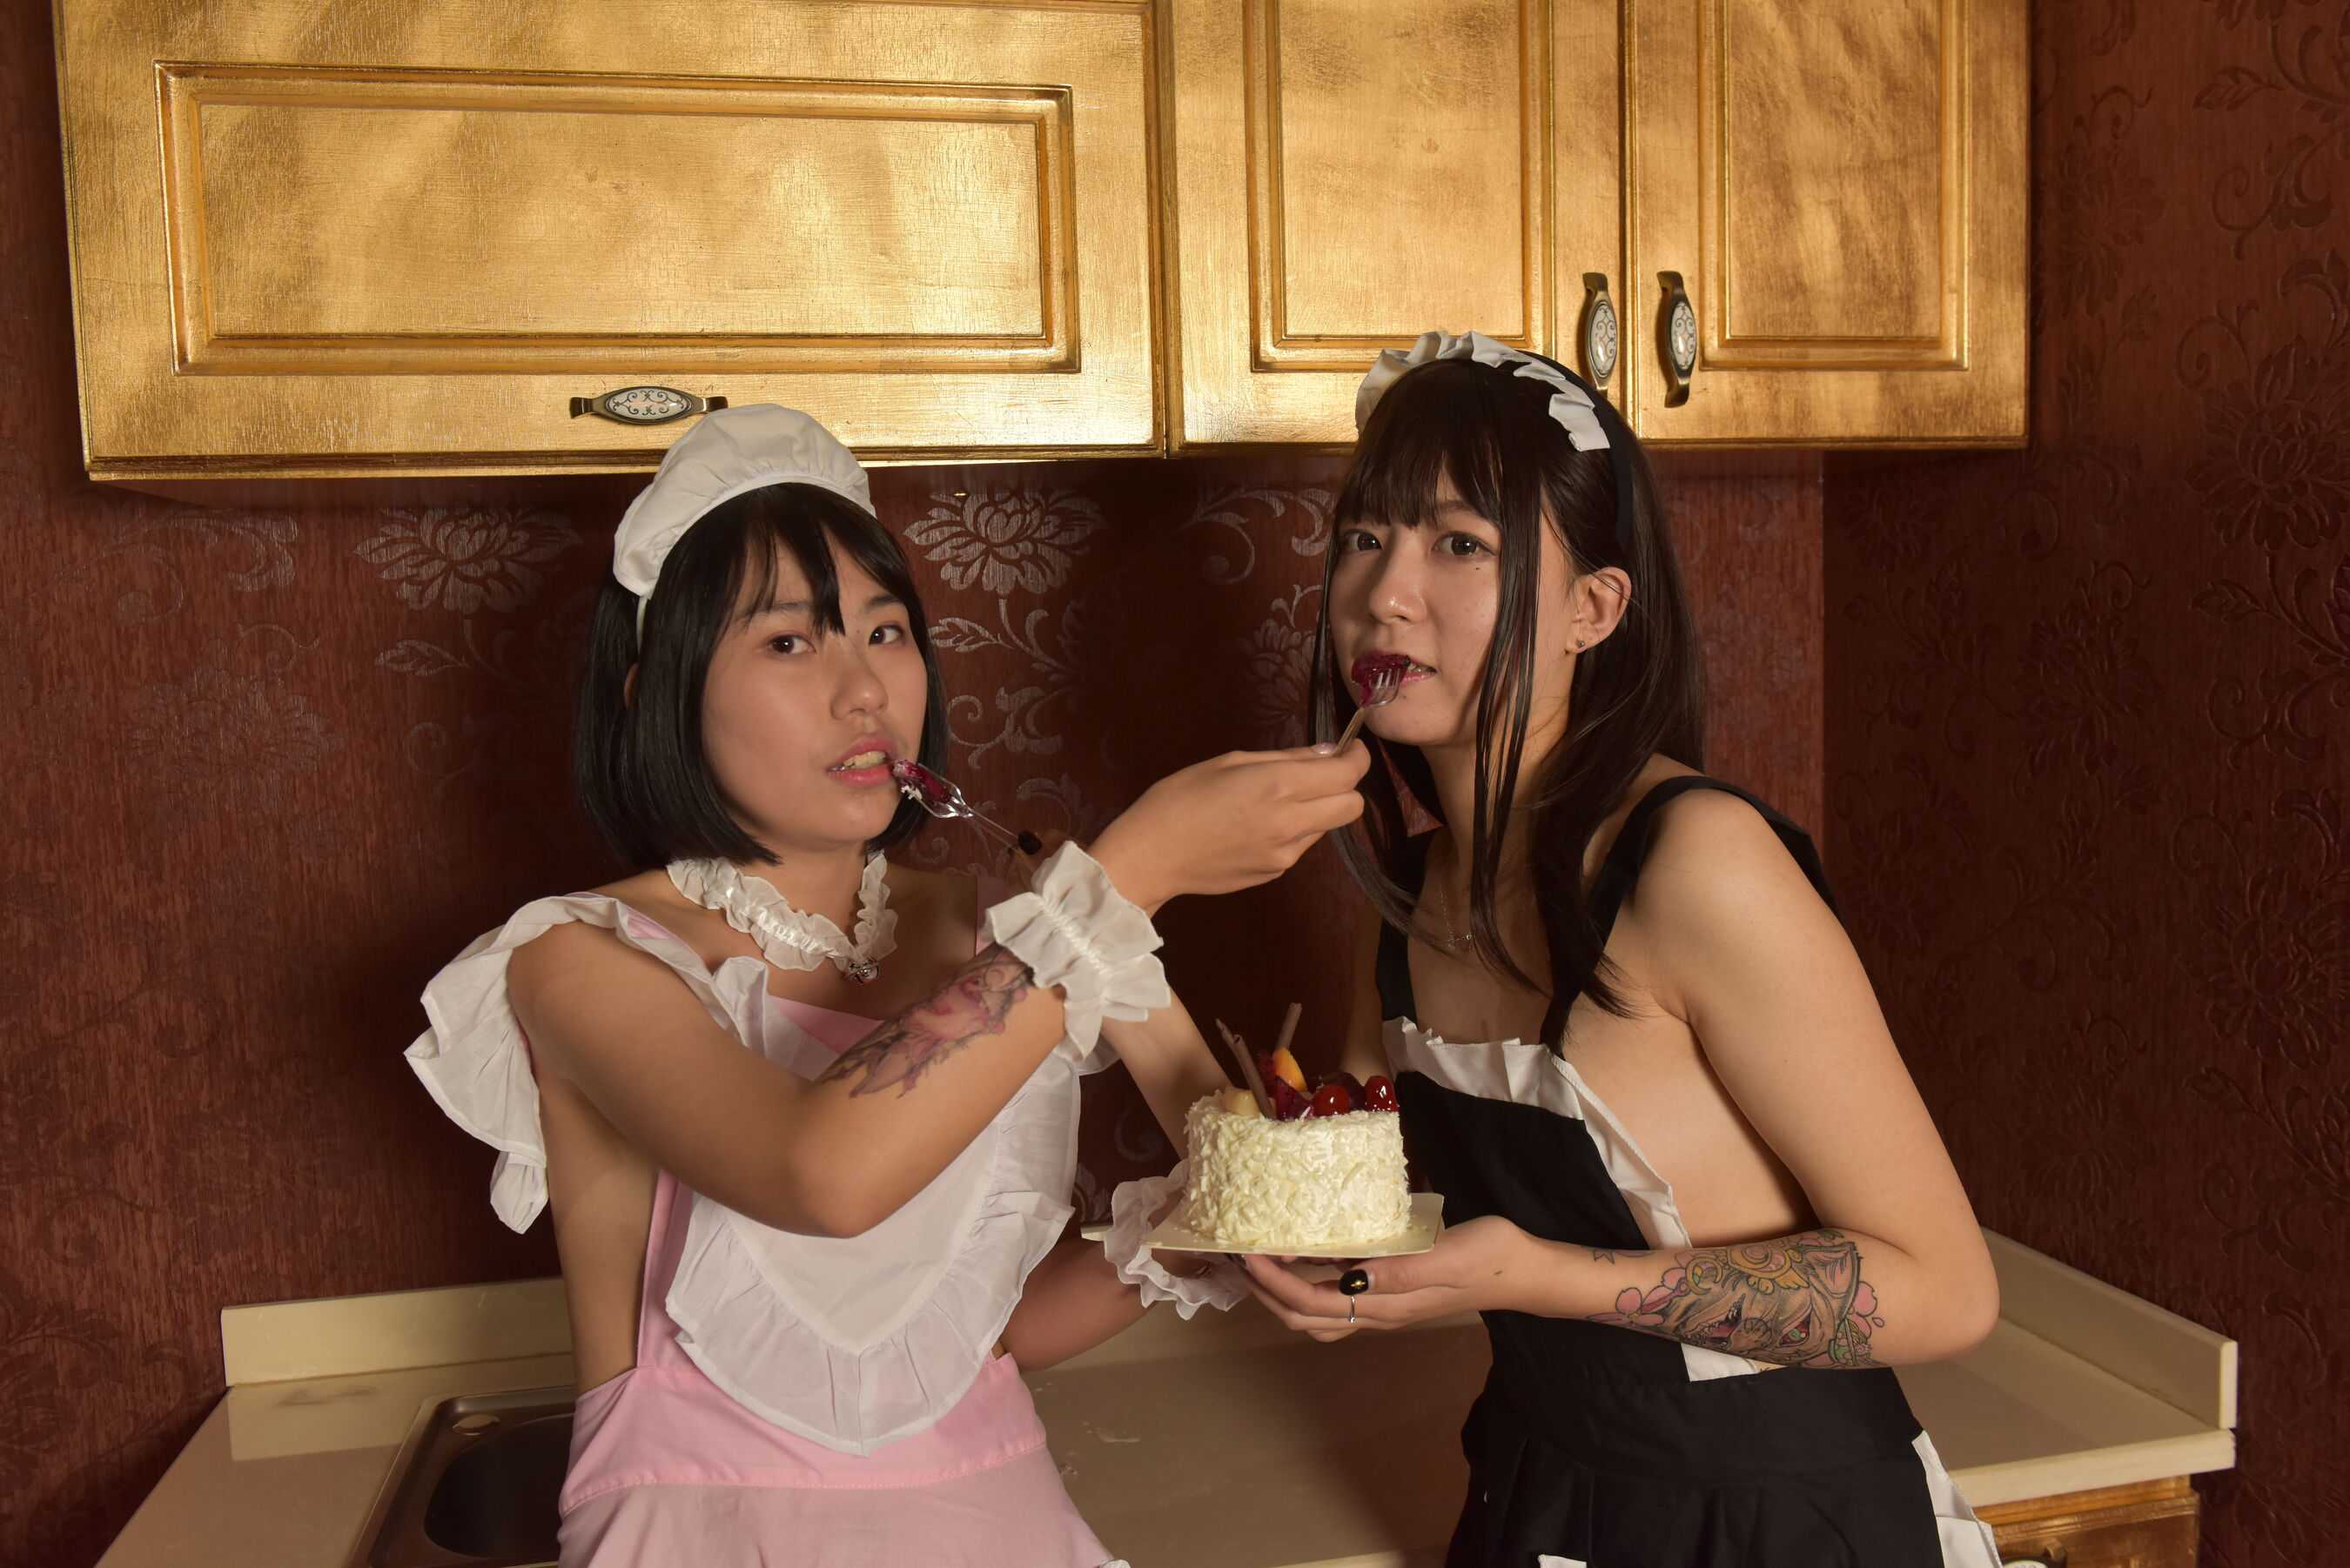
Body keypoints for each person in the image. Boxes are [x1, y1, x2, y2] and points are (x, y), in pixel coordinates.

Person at [406, 405, 1352, 1565]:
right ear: (658, 693)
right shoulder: (582, 958)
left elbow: (973, 1337)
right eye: (789, 643)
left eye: (887, 630)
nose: (863, 688)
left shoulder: (1001, 927)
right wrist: (1124, 881)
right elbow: (821, 1175)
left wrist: (1199, 1230)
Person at [1230, 333, 2006, 1566]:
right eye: (1365, 536)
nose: (1386, 593)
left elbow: (1946, 1289)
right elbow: (1353, 1210)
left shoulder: (1693, 861)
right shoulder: (1411, 894)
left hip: (1779, 1525)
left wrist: (1543, 1277)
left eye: (1460, 544)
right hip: (1539, 1497)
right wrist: (1107, 920)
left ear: (1592, 610)